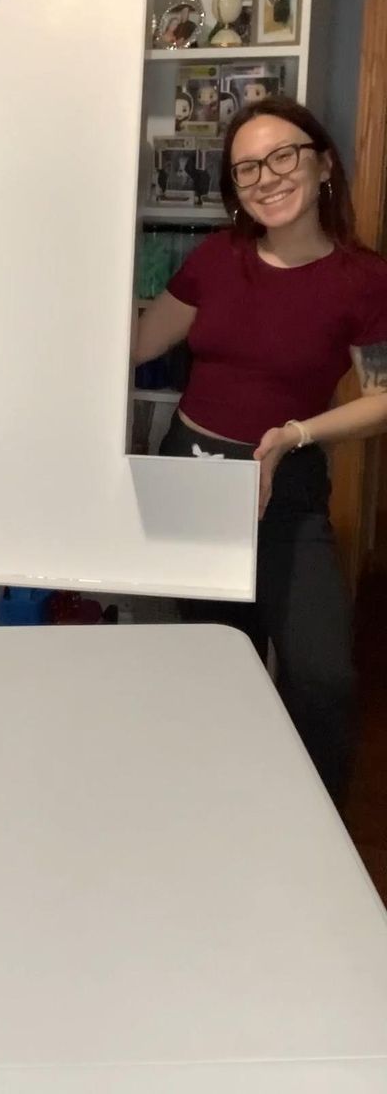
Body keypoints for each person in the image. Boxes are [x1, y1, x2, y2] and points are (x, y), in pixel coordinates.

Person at [133, 95, 387, 805]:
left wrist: (297, 434)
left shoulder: (362, 281)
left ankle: (310, 829)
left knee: (321, 676)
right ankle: (226, 808)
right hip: (190, 477)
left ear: (323, 163)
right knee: (221, 662)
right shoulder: (217, 259)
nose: (267, 178)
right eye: (246, 169)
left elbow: (382, 396)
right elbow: (140, 343)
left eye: (283, 156)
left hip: (288, 482)